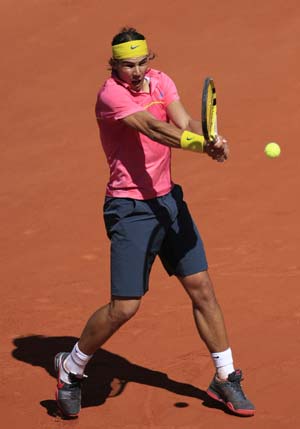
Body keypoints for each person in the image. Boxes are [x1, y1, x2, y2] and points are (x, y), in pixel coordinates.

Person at [54, 27, 255, 418]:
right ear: (113, 65)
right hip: (130, 209)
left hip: (168, 202)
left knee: (202, 288)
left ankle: (225, 376)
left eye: (141, 62)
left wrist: (209, 137)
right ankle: (72, 367)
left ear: (150, 59)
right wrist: (200, 147)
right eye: (127, 64)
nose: (135, 70)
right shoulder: (110, 94)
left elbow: (182, 120)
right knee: (125, 307)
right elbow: (155, 128)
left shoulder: (161, 82)